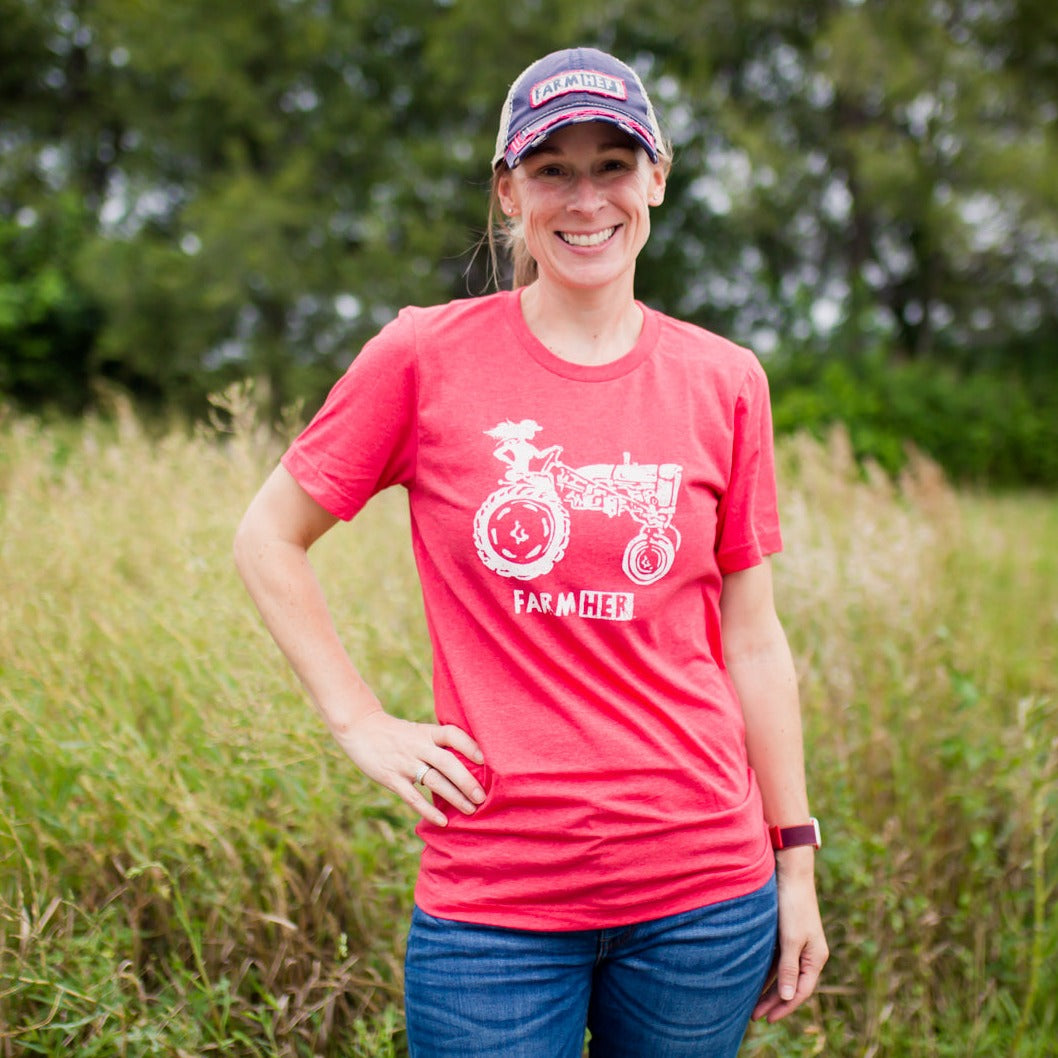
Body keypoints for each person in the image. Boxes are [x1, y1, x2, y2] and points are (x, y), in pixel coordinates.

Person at [234, 45, 828, 1058]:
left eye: (610, 163)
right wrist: (358, 719)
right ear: (510, 189)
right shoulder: (424, 355)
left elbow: (752, 639)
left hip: (701, 892)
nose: (584, 195)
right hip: (494, 901)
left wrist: (796, 863)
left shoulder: (724, 379)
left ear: (656, 178)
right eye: (552, 167)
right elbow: (267, 536)